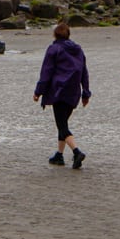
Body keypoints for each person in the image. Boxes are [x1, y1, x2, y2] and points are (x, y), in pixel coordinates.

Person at [33, 21, 91, 168]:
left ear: (55, 34)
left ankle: (77, 152)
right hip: (74, 92)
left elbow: (46, 71)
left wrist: (38, 91)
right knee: (63, 123)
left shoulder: (54, 49)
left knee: (62, 125)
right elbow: (84, 71)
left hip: (59, 91)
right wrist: (86, 93)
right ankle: (59, 155)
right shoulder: (78, 50)